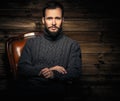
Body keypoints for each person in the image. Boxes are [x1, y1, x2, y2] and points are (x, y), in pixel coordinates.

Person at [13, 1, 82, 101]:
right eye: (49, 18)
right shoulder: (31, 43)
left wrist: (54, 74)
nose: (53, 23)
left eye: (57, 18)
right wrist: (47, 70)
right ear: (43, 20)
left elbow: (75, 72)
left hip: (58, 94)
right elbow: (22, 68)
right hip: (30, 92)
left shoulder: (72, 45)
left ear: (63, 20)